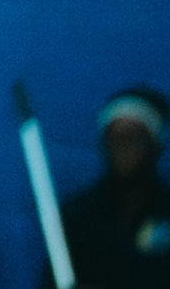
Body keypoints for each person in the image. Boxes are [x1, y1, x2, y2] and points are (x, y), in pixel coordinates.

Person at [57, 88, 170, 288]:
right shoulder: (77, 216)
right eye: (115, 138)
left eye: (133, 137)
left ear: (155, 144)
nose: (123, 148)